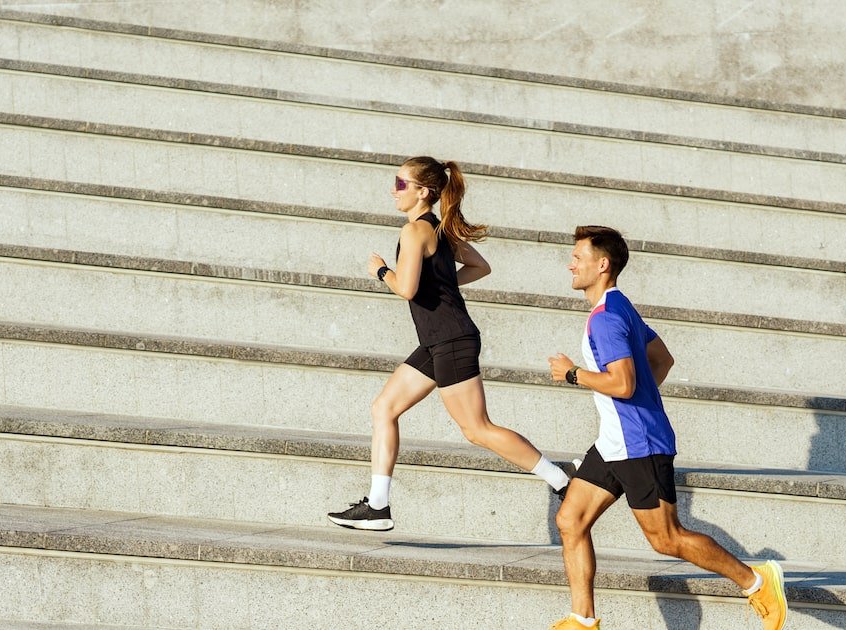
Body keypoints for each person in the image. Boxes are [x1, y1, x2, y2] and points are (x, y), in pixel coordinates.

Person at [547, 226, 787, 630]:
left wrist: (573, 374)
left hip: (639, 443)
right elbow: (662, 359)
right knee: (571, 520)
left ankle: (758, 581)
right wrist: (639, 402)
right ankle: (582, 620)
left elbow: (623, 383)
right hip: (615, 440)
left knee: (666, 538)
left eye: (578, 256)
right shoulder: (619, 306)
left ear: (602, 265)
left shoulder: (605, 319)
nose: (570, 263)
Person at [327, 156, 571, 531]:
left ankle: (560, 479)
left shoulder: (414, 232)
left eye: (401, 184)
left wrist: (381, 270)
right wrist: (442, 286)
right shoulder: (439, 229)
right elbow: (479, 267)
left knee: (476, 429)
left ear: (423, 192)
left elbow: (406, 288)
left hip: (451, 339)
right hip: (437, 341)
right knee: (384, 408)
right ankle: (377, 505)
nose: (394, 190)